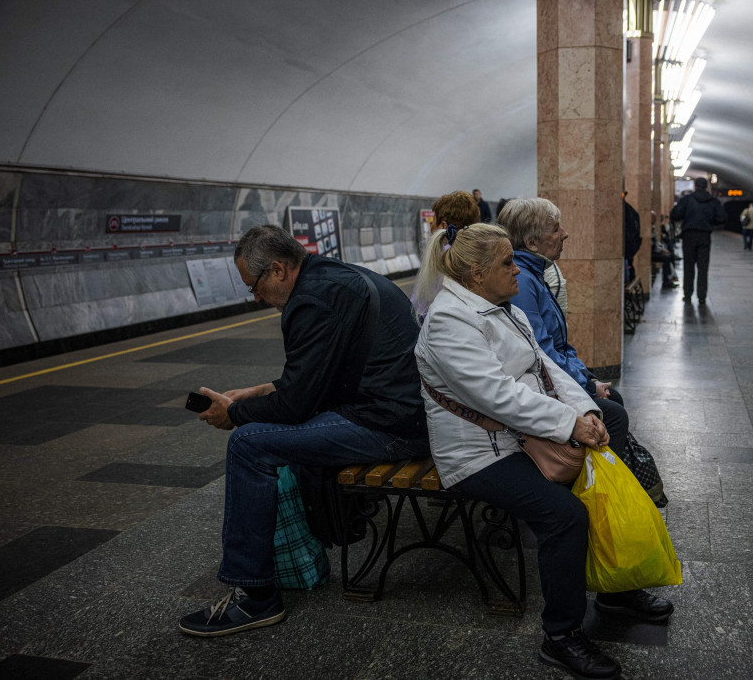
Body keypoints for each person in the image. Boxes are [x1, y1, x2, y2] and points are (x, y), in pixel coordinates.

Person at [412, 223, 673, 680]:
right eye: (507, 263)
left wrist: (587, 410)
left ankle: (618, 582)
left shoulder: (500, 306)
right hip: (479, 453)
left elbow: (544, 365)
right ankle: (561, 636)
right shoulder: (450, 322)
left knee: (611, 426)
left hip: (521, 436)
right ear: (475, 274)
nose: (518, 270)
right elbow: (495, 395)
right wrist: (569, 423)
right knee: (563, 515)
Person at [179, 225, 429, 637]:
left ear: (278, 270)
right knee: (260, 429)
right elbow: (317, 376)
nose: (256, 298)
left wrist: (236, 414)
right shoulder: (334, 277)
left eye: (254, 286)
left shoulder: (311, 301)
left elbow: (296, 405)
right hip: (404, 412)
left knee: (247, 444)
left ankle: (257, 597)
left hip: (391, 426)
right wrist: (260, 392)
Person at [498, 197, 629, 457]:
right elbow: (543, 353)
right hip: (540, 386)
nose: (565, 234)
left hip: (552, 377)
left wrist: (588, 379)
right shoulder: (522, 282)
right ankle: (595, 488)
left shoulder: (534, 273)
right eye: (556, 229)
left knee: (611, 401)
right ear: (532, 242)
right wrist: (588, 386)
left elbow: (560, 345)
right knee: (613, 413)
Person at [670, 176, 727, 305]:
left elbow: (674, 214)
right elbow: (722, 217)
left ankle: (688, 294)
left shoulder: (687, 200)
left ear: (695, 186)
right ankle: (702, 296)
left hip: (689, 235)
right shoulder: (713, 201)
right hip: (704, 236)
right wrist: (711, 222)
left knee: (688, 266)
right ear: (706, 186)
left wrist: (685, 218)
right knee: (703, 268)